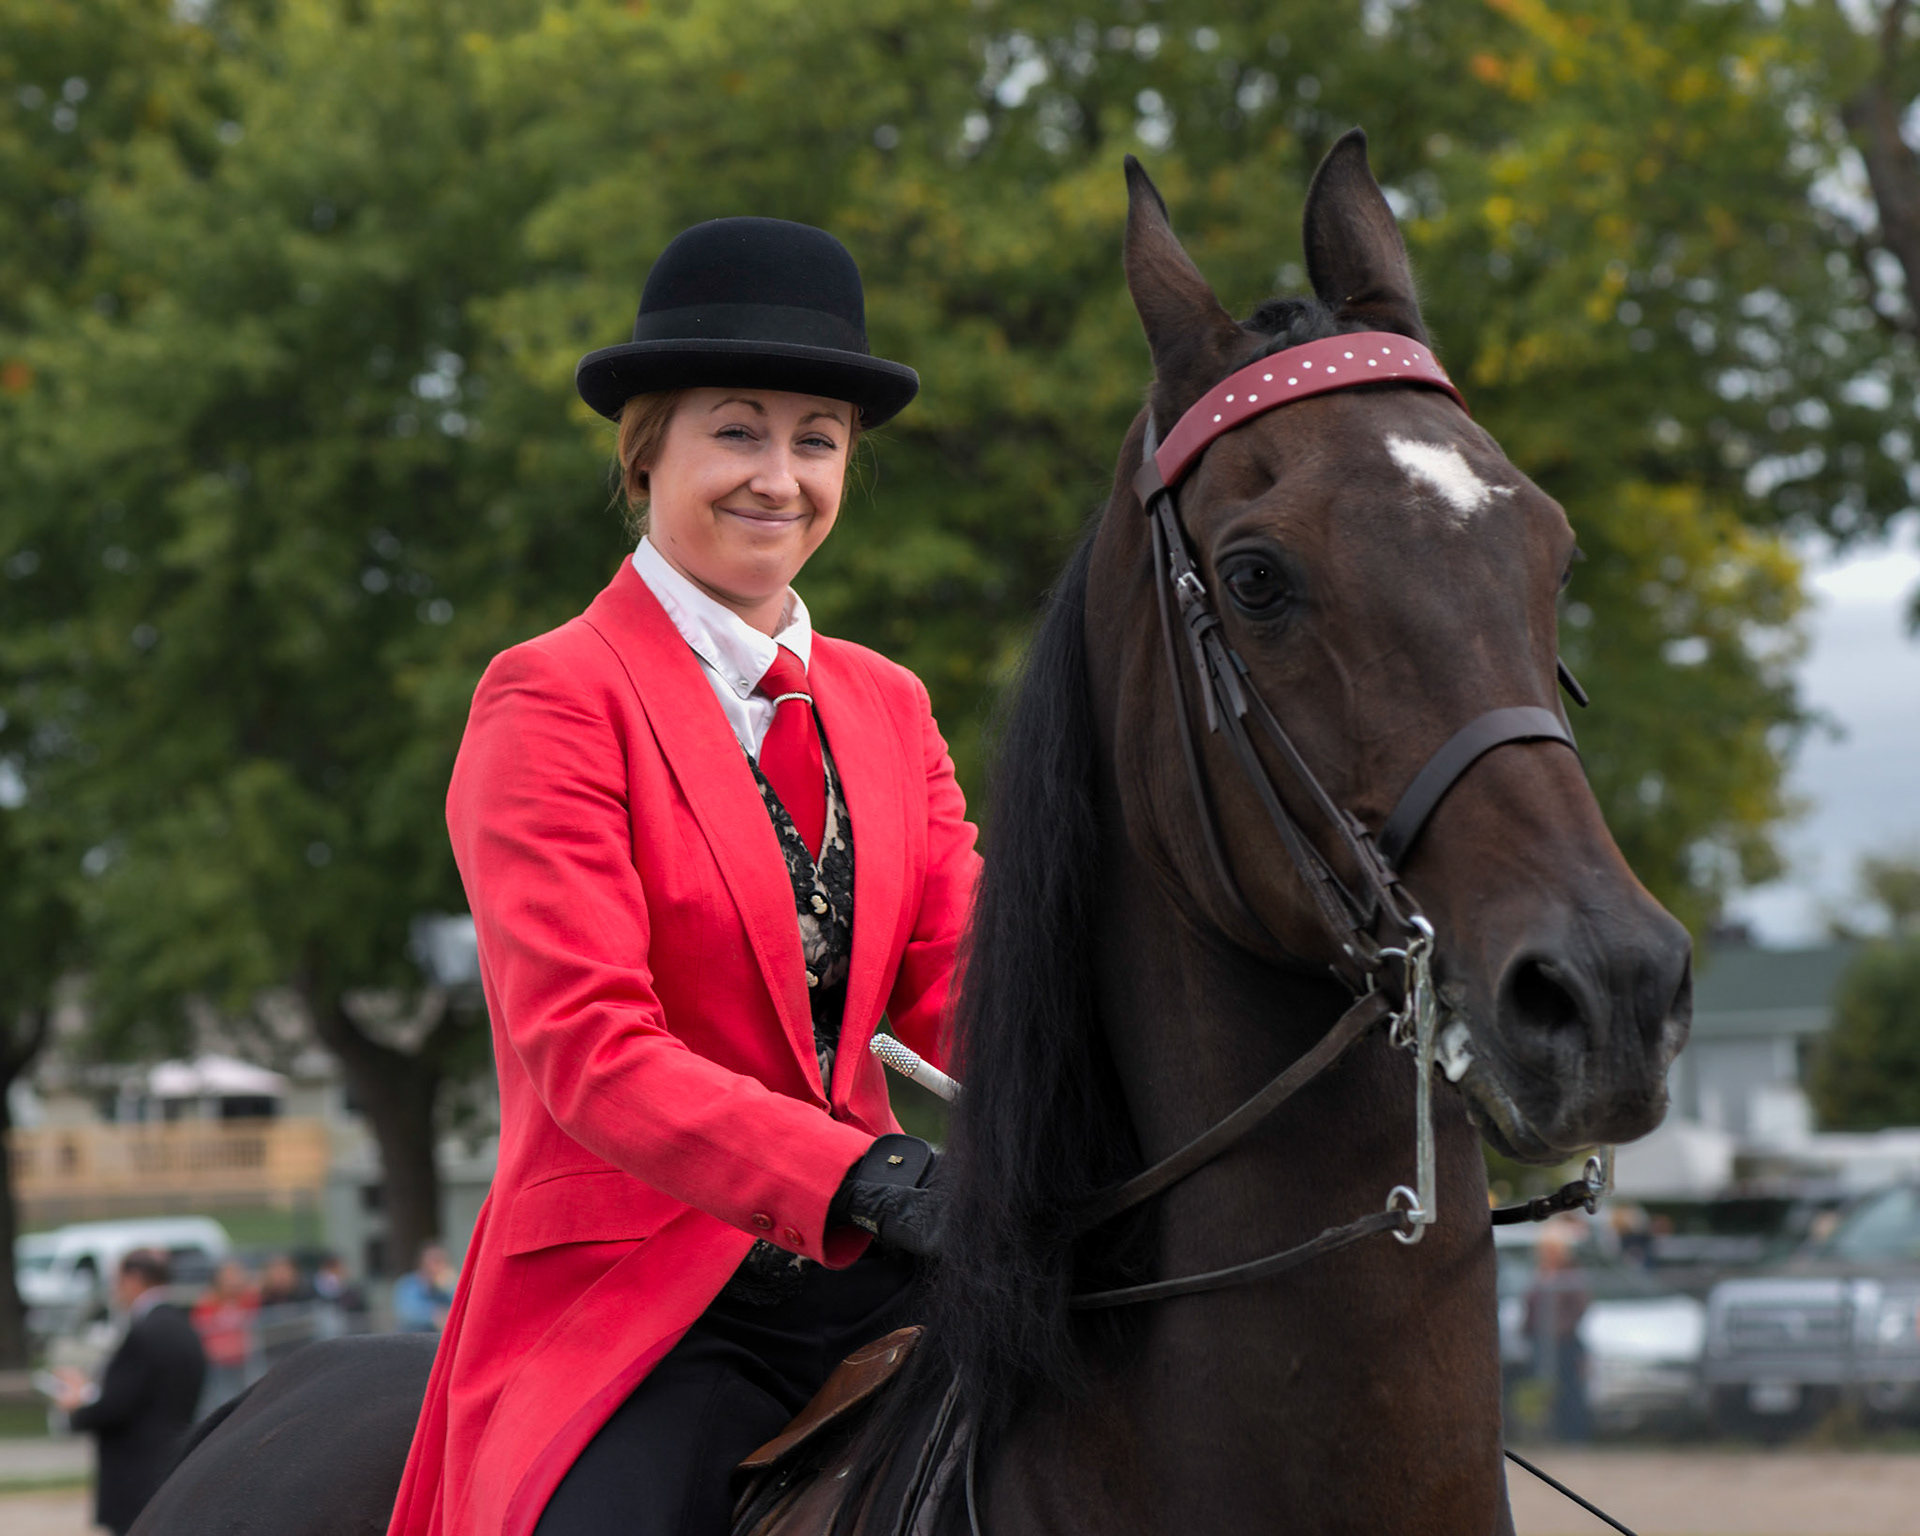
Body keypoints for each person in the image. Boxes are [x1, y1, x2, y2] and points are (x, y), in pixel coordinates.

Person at [385, 216, 980, 1536]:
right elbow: (589, 1048)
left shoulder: (889, 706)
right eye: (739, 430)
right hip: (637, 1283)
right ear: (648, 447)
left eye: (815, 440)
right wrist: (862, 1174)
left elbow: (973, 984)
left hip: (883, 1263)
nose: (780, 475)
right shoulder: (549, 699)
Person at [54, 1249, 207, 1535]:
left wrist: (77, 1404)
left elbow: (116, 1405)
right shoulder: (184, 1327)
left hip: (135, 1471)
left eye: (117, 1281)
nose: (115, 1290)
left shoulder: (144, 1332)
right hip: (173, 1458)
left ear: (133, 1279)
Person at [190, 1258, 259, 1416]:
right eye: (229, 1276)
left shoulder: (246, 1300)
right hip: (217, 1365)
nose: (233, 1280)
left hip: (242, 1362)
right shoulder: (208, 1302)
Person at [392, 1243, 457, 1333]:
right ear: (422, 1263)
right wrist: (434, 1316)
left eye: (441, 1261)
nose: (437, 1267)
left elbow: (459, 1309)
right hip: (412, 1339)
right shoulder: (408, 1284)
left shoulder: (446, 1286)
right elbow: (407, 1312)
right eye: (434, 1261)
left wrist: (449, 1288)